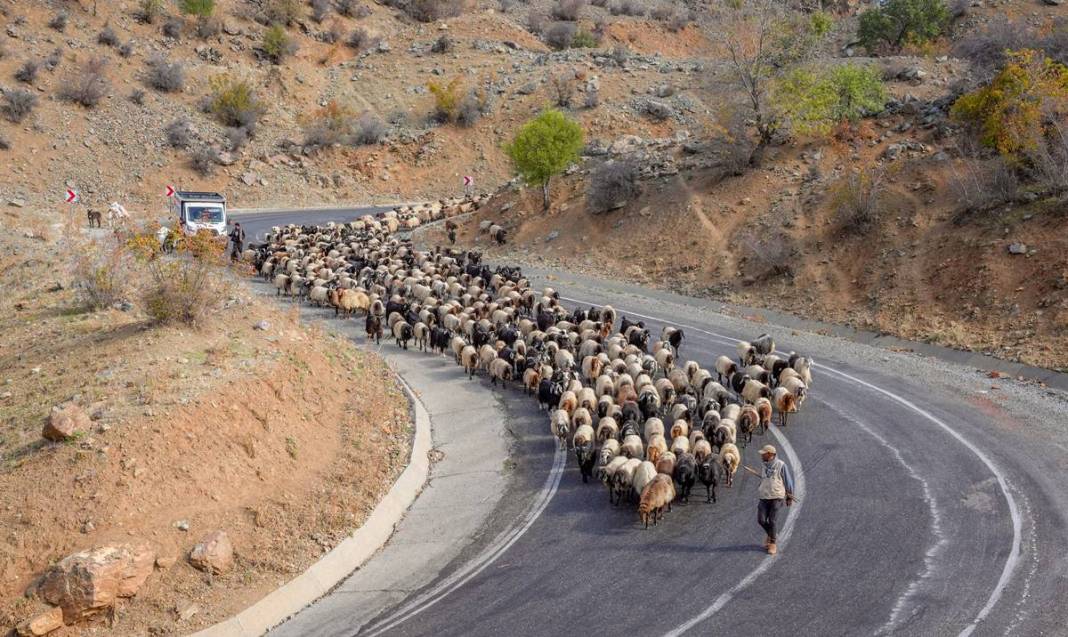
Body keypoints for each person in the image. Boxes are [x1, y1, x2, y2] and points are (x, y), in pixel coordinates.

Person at [756, 444, 794, 556]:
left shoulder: (781, 465)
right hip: (764, 496)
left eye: (764, 453)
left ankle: (773, 543)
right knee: (761, 520)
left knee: (772, 520)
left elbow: (788, 481)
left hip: (777, 497)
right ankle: (772, 534)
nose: (762, 455)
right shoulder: (764, 465)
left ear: (770, 454)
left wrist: (789, 496)